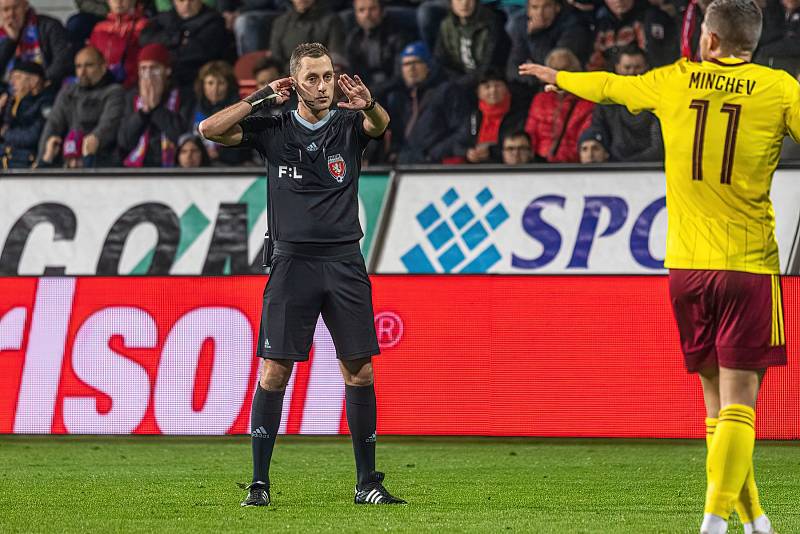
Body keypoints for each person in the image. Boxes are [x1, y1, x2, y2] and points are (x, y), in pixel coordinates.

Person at [520, 0, 799, 531]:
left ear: (710, 41)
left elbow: (609, 87)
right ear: (752, 43)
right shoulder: (779, 87)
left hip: (685, 269)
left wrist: (560, 76)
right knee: (741, 405)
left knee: (718, 406)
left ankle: (757, 520)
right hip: (748, 265)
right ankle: (714, 523)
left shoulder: (676, 79)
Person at [199, 42, 406, 507]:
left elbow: (382, 124)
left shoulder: (351, 123)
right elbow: (209, 129)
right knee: (275, 371)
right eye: (312, 78)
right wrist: (259, 97)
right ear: (294, 83)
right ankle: (259, 483)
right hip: (292, 263)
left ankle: (367, 483)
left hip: (344, 261)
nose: (323, 85)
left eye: (328, 76)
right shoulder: (273, 128)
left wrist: (368, 103)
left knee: (360, 370)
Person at [38, 46, 124, 167]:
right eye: (78, 66)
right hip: (68, 163)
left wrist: (86, 156)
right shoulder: (68, 92)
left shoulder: (115, 92)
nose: (82, 72)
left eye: (88, 65)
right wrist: (41, 161)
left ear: (103, 67)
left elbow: (108, 127)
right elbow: (53, 125)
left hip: (101, 162)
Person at [385, 41, 469, 164]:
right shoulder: (399, 98)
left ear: (429, 65)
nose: (411, 69)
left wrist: (431, 155)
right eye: (406, 64)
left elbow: (462, 131)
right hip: (405, 167)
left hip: (436, 167)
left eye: (416, 62)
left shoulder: (447, 91)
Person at [118, 43, 190, 167]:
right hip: (137, 169)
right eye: (143, 69)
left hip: (173, 169)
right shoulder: (131, 97)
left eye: (154, 68)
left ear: (167, 70)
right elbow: (124, 141)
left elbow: (182, 139)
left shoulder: (184, 96)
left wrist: (156, 109)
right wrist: (144, 112)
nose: (148, 75)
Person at [590, 45, 663, 162]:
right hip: (612, 169)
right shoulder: (606, 101)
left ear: (647, 68)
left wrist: (624, 166)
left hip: (651, 169)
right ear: (617, 68)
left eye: (637, 67)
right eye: (627, 67)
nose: (632, 72)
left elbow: (659, 148)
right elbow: (598, 130)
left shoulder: (658, 99)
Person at [139, 0, 229, 89]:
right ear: (174, 1)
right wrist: (176, 39)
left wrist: (165, 52)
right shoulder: (164, 17)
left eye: (192, 1)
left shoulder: (214, 19)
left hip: (196, 77)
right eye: (181, 0)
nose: (187, 4)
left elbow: (199, 51)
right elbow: (144, 39)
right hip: (165, 76)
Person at [523, 48, 593, 163]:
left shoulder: (587, 102)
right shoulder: (540, 100)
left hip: (572, 164)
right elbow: (530, 134)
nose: (558, 75)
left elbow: (584, 139)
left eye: (565, 70)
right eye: (555, 70)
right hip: (540, 163)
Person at [506, 0, 591, 86]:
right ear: (528, 11)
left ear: (557, 7)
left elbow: (556, 66)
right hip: (533, 85)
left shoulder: (573, 25)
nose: (540, 13)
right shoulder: (521, 24)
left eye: (546, 7)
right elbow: (513, 68)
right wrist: (536, 78)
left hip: (568, 85)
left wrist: (537, 35)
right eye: (535, 7)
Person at [453, 69, 530, 163]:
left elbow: (521, 146)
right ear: (478, 92)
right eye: (487, 87)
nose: (493, 91)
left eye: (497, 85)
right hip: (476, 171)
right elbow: (458, 145)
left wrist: (491, 151)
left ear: (506, 88)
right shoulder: (474, 116)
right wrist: (467, 152)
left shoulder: (519, 115)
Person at [344, 0, 412, 101]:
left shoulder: (397, 36)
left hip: (393, 90)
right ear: (356, 15)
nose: (367, 15)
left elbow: (399, 77)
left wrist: (374, 90)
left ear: (382, 11)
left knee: (394, 97)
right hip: (366, 89)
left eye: (372, 9)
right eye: (361, 10)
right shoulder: (353, 39)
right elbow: (353, 73)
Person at [588, 0, 678, 70]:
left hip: (648, 82)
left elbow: (664, 60)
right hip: (611, 84)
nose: (619, 1)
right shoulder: (599, 23)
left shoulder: (653, 17)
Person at [0, 0, 73, 86]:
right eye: (6, 9)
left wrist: (41, 82)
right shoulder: (2, 34)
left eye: (15, 8)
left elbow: (62, 60)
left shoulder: (49, 26)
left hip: (45, 87)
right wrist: (11, 40)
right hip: (10, 91)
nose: (11, 14)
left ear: (26, 6)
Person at [433, 0, 508, 83]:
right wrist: (456, 80)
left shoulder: (491, 24)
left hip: (486, 80)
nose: (464, 3)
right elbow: (441, 60)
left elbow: (490, 63)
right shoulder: (447, 25)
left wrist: (465, 82)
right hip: (457, 80)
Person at [192, 60, 247, 164]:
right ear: (202, 85)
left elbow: (243, 146)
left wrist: (219, 154)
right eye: (210, 83)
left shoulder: (239, 110)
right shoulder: (191, 108)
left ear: (229, 86)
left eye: (221, 83)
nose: (215, 89)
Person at [0, 60, 53, 168]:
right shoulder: (13, 101)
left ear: (34, 81)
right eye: (12, 78)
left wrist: (5, 134)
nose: (12, 83)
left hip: (25, 163)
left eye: (18, 77)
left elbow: (32, 137)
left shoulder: (45, 103)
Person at [268, 0, 345, 71]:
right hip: (286, 76)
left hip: (320, 74)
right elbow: (276, 57)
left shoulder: (332, 20)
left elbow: (335, 55)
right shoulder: (280, 22)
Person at [89, 0, 149, 88]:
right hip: (101, 85)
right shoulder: (99, 28)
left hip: (131, 86)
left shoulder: (144, 26)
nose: (118, 2)